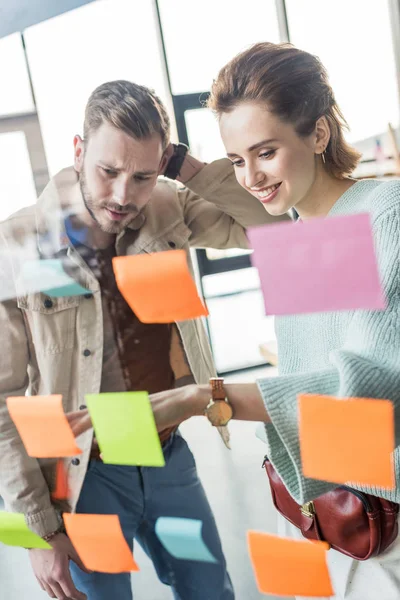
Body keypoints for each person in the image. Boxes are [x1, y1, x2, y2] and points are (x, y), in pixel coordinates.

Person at [103, 43, 400, 599]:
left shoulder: (385, 216)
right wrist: (175, 162)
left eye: (265, 151)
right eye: (237, 159)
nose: (251, 177)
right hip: (324, 505)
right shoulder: (295, 237)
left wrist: (203, 397)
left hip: (386, 518)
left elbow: (369, 389)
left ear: (317, 134)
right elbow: (311, 377)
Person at [0, 79, 288, 600]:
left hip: (167, 456)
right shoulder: (14, 245)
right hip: (83, 479)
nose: (122, 196)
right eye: (108, 172)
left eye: (143, 175)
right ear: (78, 151)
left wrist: (185, 170)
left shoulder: (165, 206)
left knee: (210, 591)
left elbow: (272, 230)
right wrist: (34, 531)